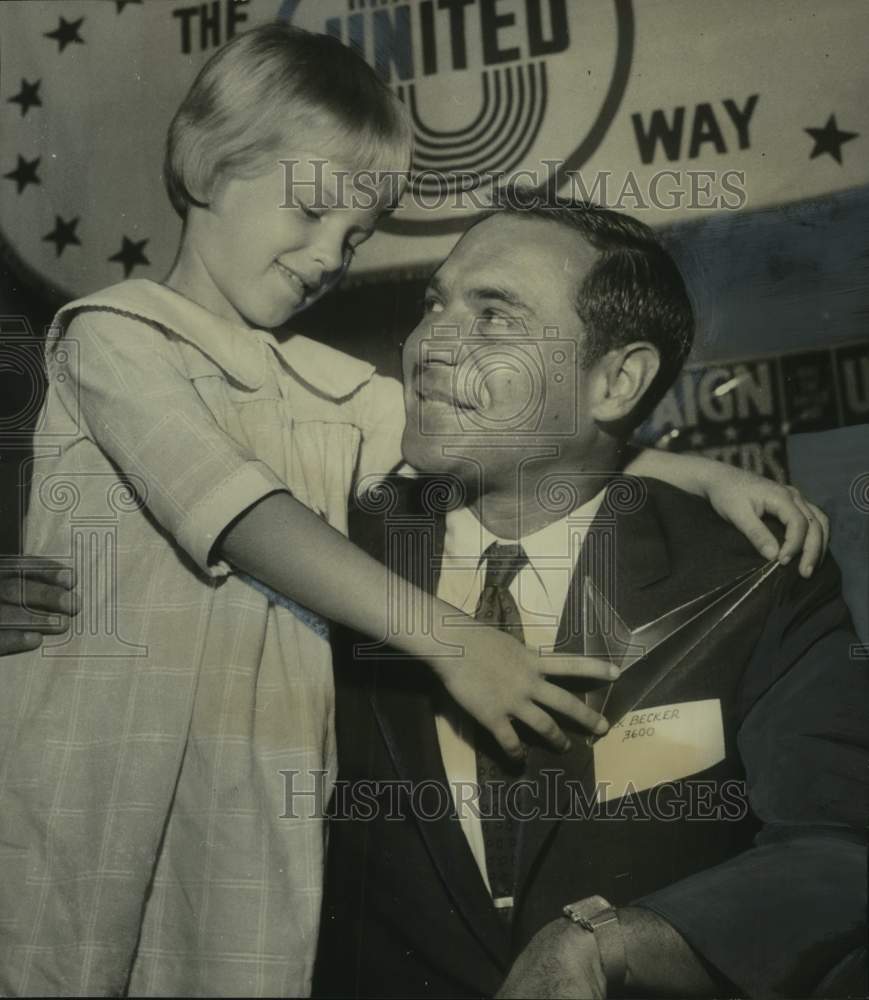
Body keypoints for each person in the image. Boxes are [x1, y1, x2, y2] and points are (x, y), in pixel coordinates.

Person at [313, 198, 868, 998]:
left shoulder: (754, 585)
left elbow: (838, 851)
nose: (429, 344)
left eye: (495, 317)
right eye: (434, 303)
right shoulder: (330, 559)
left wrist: (617, 947)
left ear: (615, 381)